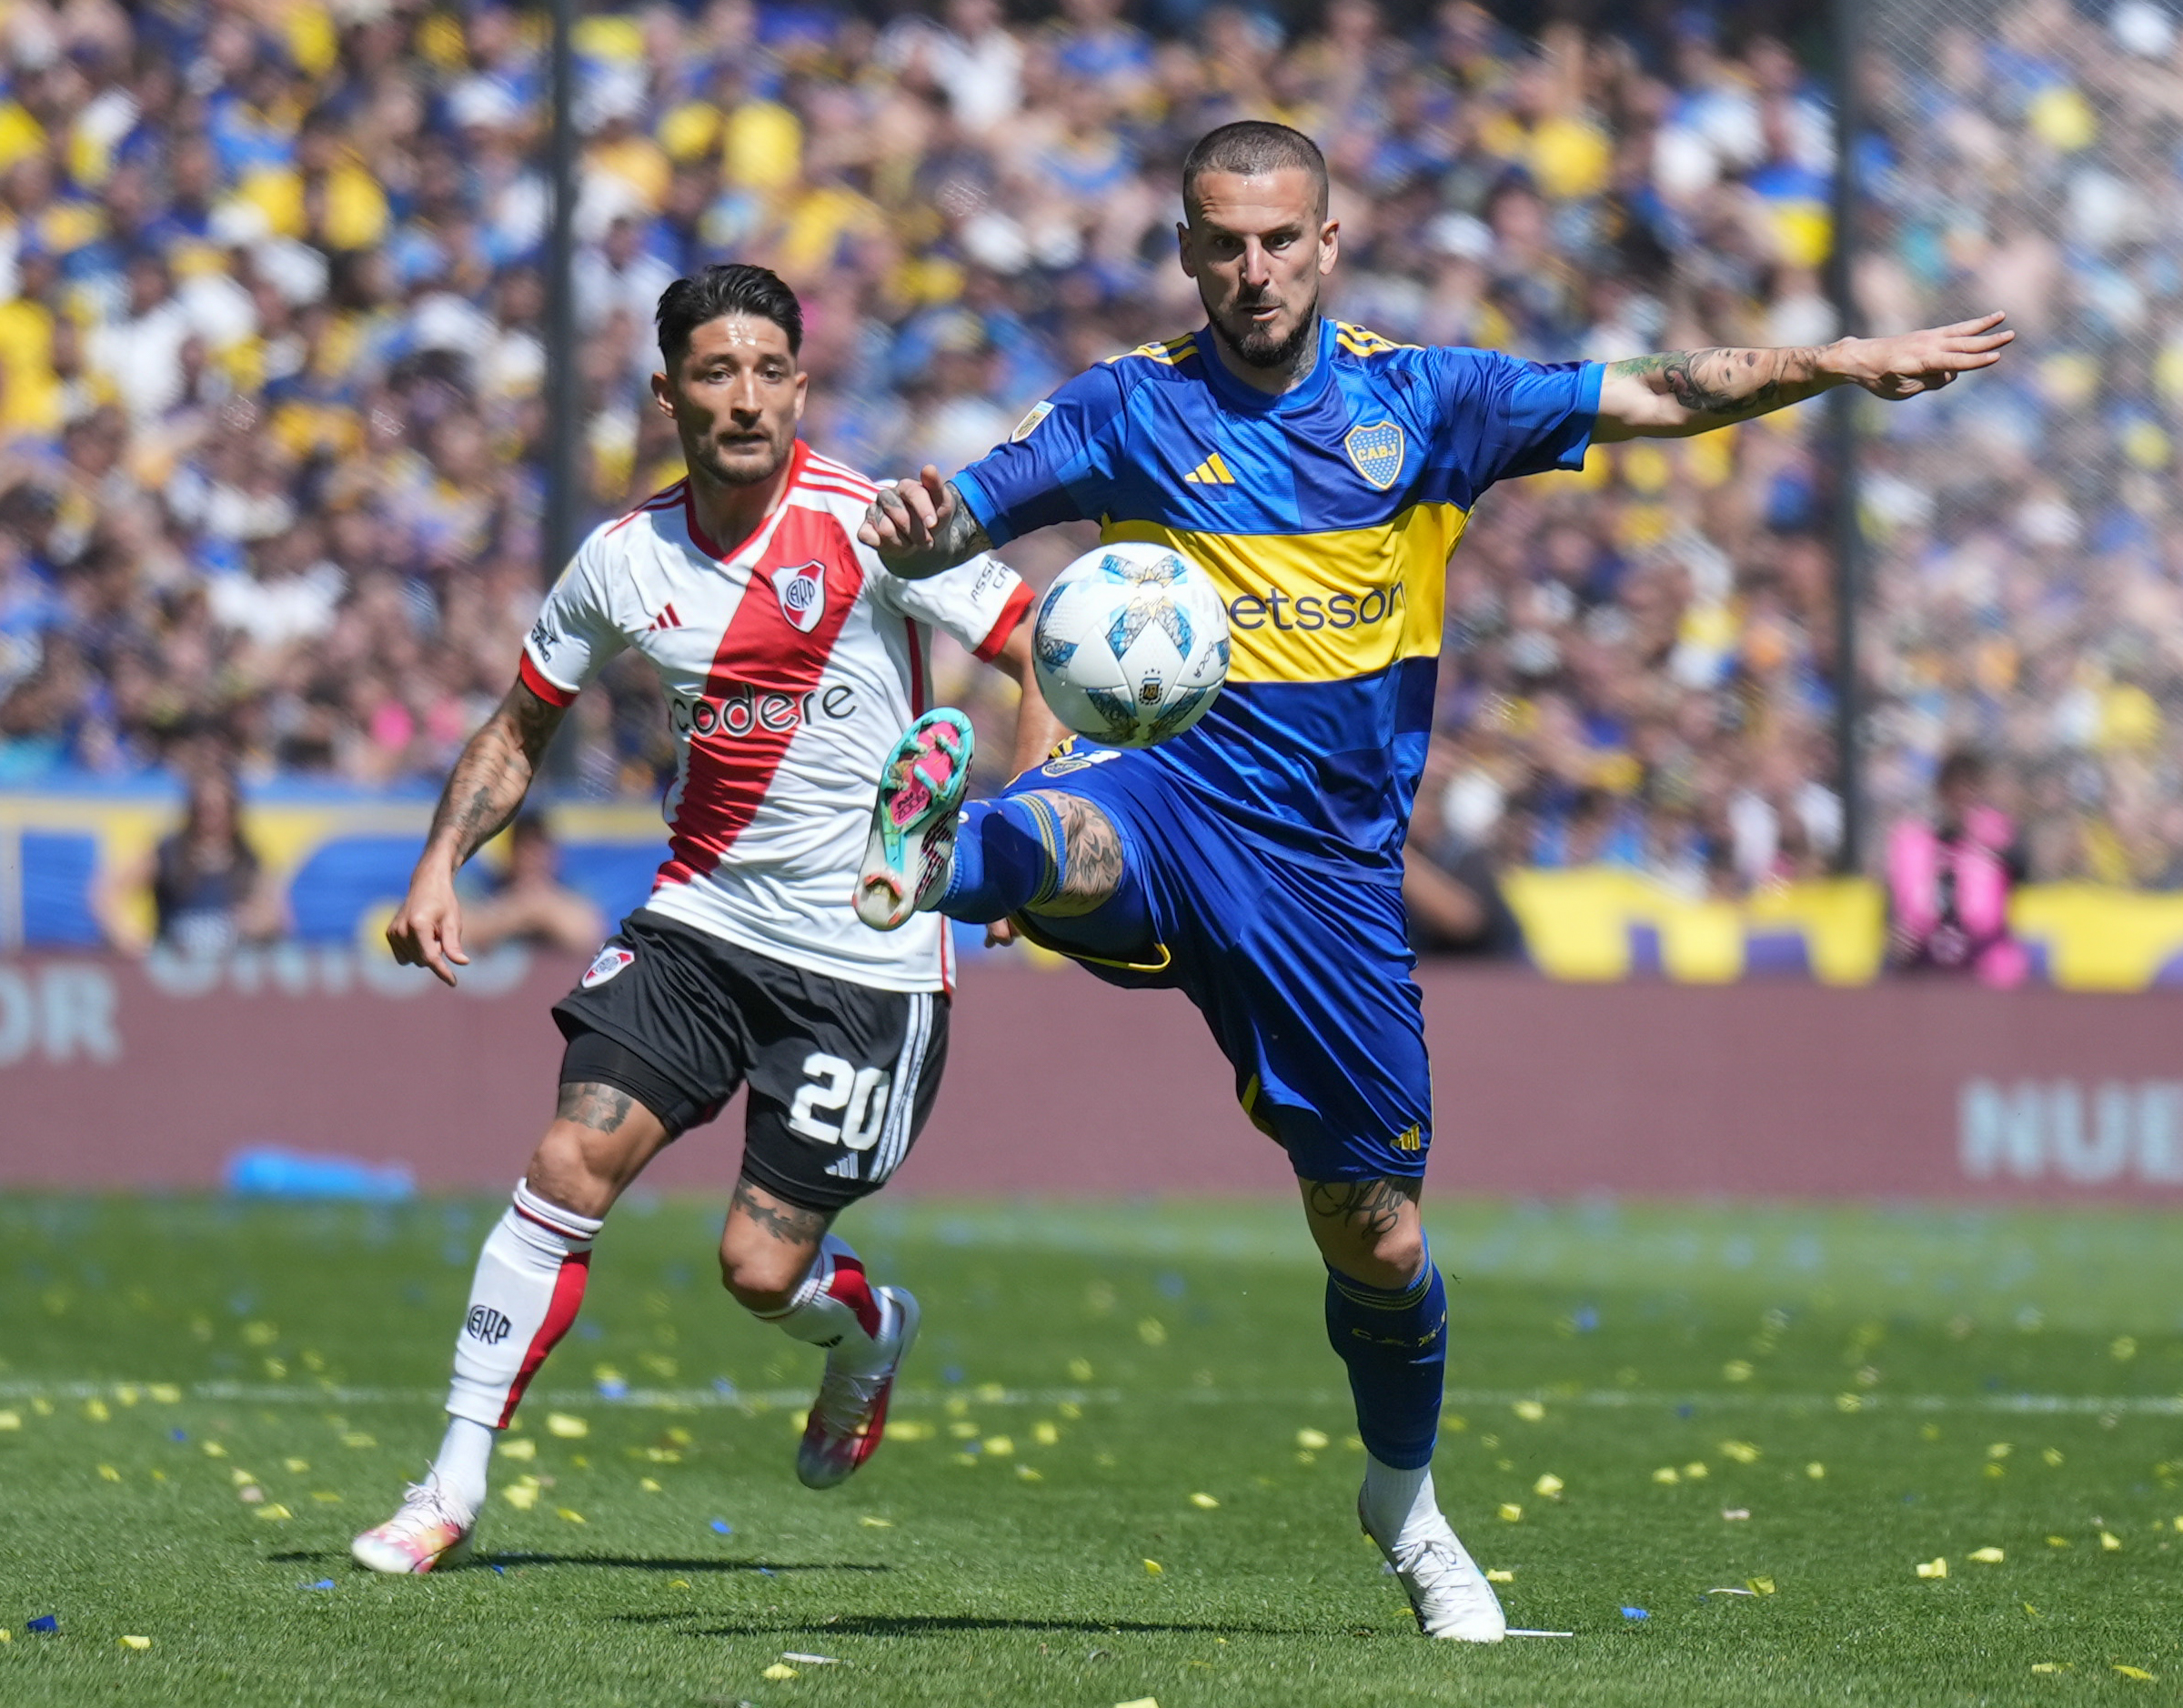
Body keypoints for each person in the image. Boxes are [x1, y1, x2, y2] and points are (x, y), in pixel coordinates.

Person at [852, 120, 2011, 1640]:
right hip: (1174, 799)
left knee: (1379, 1235)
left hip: (1331, 882)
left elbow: (1664, 391)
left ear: (1330, 244)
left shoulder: (1425, 401)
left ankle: (1403, 1495)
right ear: (1187, 253)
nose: (1253, 268)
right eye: (1224, 242)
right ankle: (935, 846)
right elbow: (977, 504)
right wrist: (932, 520)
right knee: (1077, 837)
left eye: (1280, 239)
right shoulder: (1129, 408)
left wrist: (1843, 359)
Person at [350, 263, 1059, 1574]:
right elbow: (520, 727)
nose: (747, 400)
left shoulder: (877, 525)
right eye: (718, 373)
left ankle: (867, 1330)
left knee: (756, 1269)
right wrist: (441, 858)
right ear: (668, 391)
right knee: (567, 1164)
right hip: (699, 924)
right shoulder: (622, 560)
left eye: (770, 371)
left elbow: (1030, 651)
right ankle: (447, 1483)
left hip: (867, 958)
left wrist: (1024, 838)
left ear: (801, 383)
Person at [93, 758, 287, 956]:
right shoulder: (168, 853)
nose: (212, 817)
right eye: (204, 808)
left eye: (219, 808)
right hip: (172, 970)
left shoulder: (248, 859)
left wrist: (257, 922)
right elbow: (106, 892)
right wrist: (128, 936)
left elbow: (275, 913)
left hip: (229, 969)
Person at [1886, 749, 2027, 986]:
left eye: (1970, 790)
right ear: (1942, 792)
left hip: (1985, 962)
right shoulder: (1914, 843)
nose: (1962, 798)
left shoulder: (1999, 841)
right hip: (1924, 960)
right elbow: (1894, 905)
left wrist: (1987, 843)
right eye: (1954, 790)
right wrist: (1897, 932)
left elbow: (2023, 870)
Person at [459, 810, 607, 956]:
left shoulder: (573, 887)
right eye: (526, 850)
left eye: (539, 850)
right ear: (512, 853)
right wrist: (517, 912)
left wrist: (541, 909)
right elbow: (462, 933)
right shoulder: (486, 886)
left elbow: (592, 938)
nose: (533, 859)